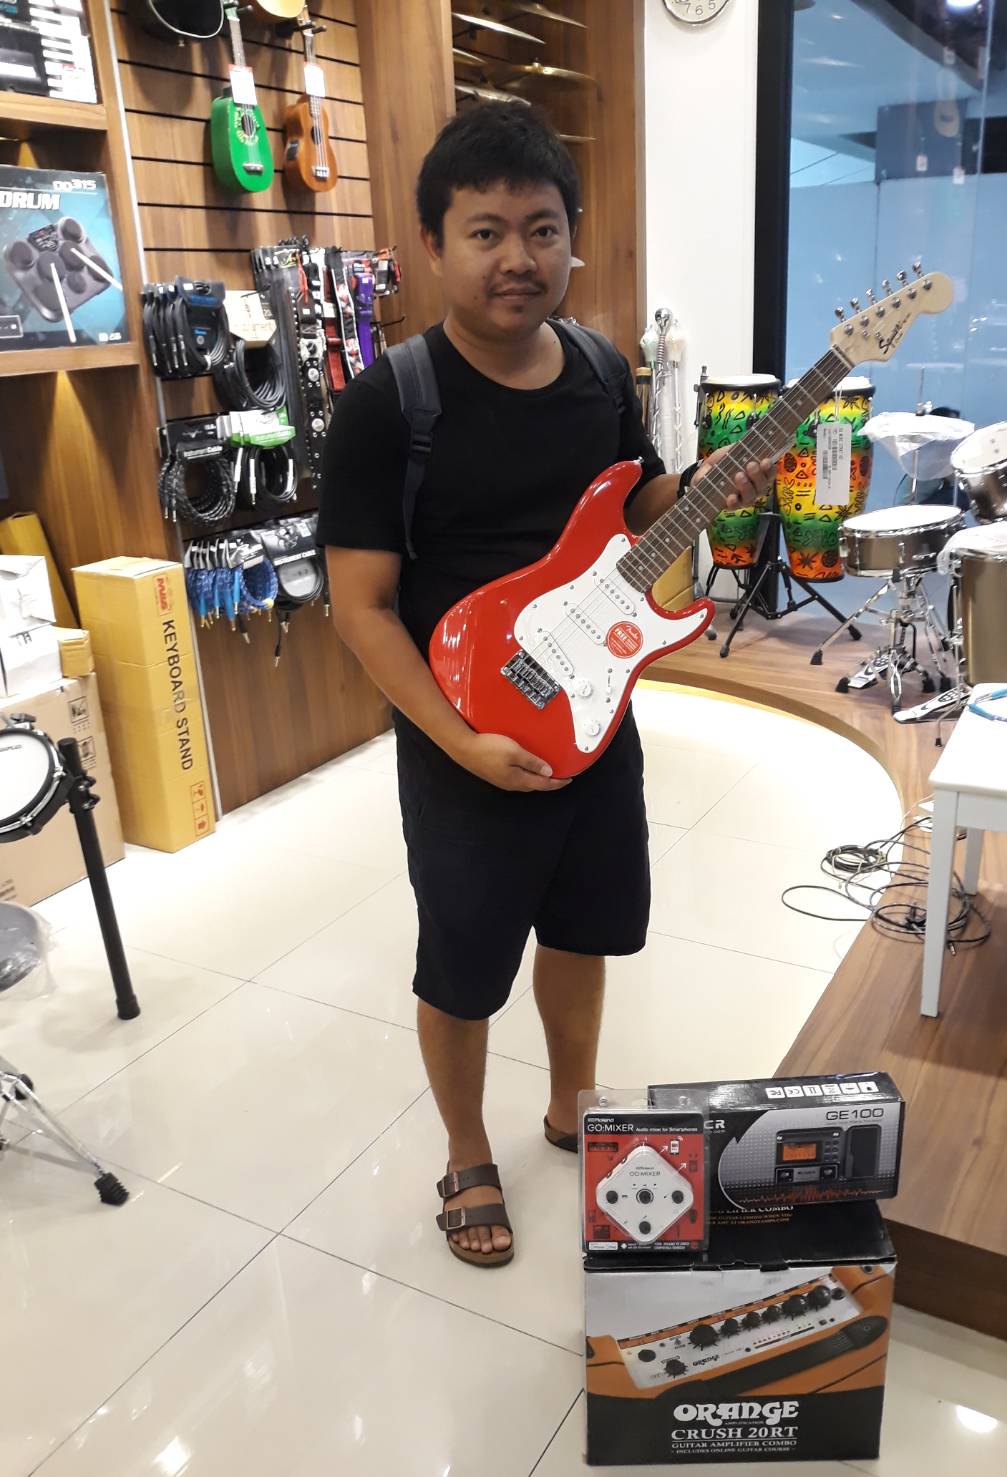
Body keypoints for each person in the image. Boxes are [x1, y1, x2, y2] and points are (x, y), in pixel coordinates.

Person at [319, 103, 772, 1268]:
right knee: (464, 960)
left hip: (594, 706)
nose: (516, 257)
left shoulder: (597, 367)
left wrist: (715, 480)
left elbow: (634, 510)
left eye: (541, 228)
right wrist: (457, 742)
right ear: (434, 245)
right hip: (462, 732)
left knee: (584, 926)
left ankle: (574, 1103)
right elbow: (361, 607)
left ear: (572, 234)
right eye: (485, 232)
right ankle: (466, 1149)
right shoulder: (389, 403)